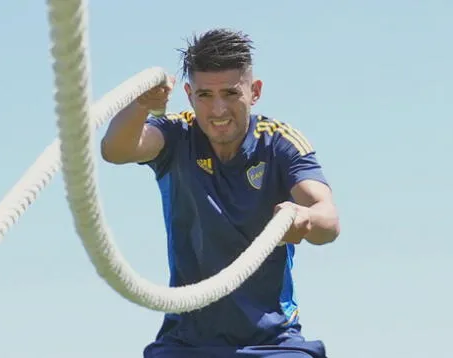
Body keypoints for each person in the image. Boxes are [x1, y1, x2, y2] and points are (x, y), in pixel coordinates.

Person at [100, 28, 340, 358]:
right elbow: (116, 149)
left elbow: (328, 219)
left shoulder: (280, 143)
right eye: (205, 96)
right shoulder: (177, 134)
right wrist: (143, 104)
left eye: (230, 93)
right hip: (186, 341)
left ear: (254, 92)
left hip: (271, 342)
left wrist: (306, 218)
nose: (218, 110)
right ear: (189, 94)